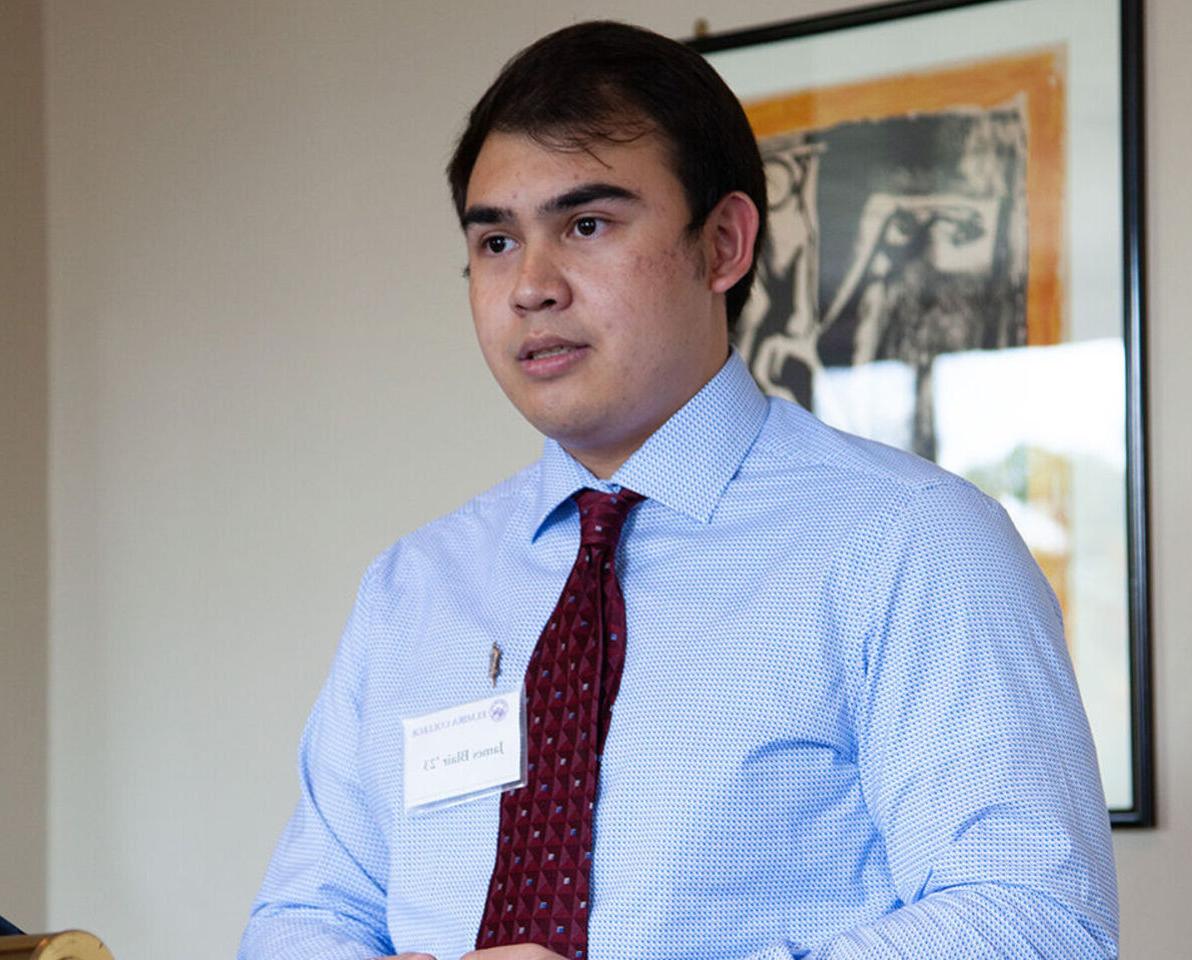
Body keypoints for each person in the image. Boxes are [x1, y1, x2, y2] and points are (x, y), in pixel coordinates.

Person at [239, 20, 1118, 960]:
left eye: (587, 225)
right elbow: (309, 914)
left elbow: (1035, 921)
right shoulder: (412, 588)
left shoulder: (913, 544)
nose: (531, 286)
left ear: (724, 244)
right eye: (496, 241)